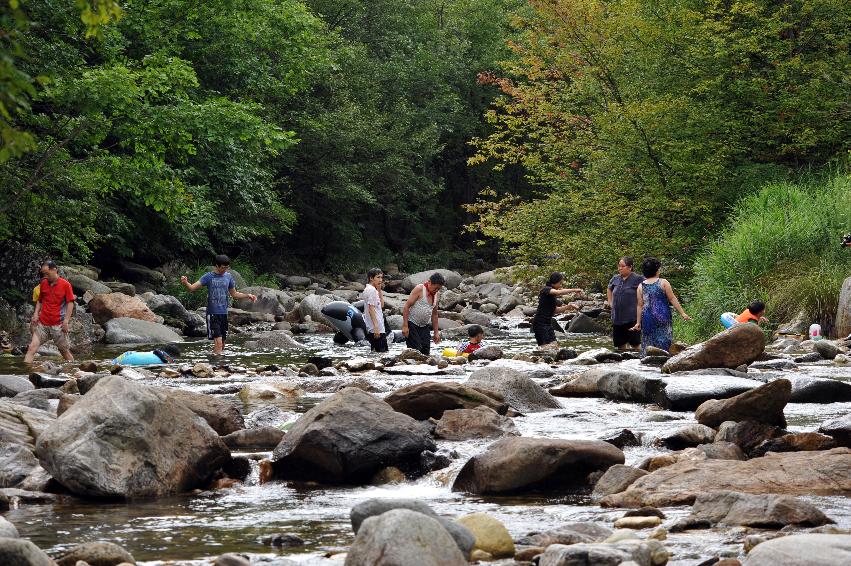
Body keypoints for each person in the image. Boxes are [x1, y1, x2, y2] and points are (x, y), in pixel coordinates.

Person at [181, 255, 257, 354]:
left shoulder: (228, 277)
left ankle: (216, 362)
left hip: (223, 313)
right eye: (223, 268)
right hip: (213, 314)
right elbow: (192, 288)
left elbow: (234, 294)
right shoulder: (208, 276)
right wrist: (186, 282)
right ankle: (217, 365)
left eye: (227, 267)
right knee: (218, 341)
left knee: (223, 343)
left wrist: (248, 295)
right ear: (216, 266)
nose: (225, 270)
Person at [630, 257, 691, 355]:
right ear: (657, 270)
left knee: (648, 339)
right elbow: (672, 298)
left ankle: (647, 360)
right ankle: (665, 358)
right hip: (663, 315)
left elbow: (640, 305)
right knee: (664, 338)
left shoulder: (641, 286)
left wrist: (638, 322)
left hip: (647, 317)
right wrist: (682, 313)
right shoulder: (663, 282)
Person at [24, 261, 76, 363]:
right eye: (44, 274)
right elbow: (40, 300)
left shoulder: (66, 285)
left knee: (64, 351)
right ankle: (26, 374)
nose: (45, 276)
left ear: (54, 270)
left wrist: (66, 321)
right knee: (31, 348)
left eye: (47, 273)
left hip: (58, 325)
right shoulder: (43, 283)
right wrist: (35, 314)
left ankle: (75, 372)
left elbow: (70, 303)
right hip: (43, 324)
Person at [531, 272, 583, 348]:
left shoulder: (552, 295)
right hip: (540, 324)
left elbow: (554, 310)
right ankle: (538, 359)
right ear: (555, 282)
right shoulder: (546, 290)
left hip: (548, 324)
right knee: (545, 348)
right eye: (560, 283)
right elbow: (558, 292)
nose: (560, 285)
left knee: (555, 346)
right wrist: (574, 290)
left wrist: (568, 307)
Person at [402, 272, 445, 355]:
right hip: (412, 324)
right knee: (415, 352)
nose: (436, 290)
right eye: (435, 288)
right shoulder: (420, 289)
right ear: (429, 282)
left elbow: (435, 314)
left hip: (425, 326)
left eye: (438, 289)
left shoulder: (436, 294)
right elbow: (406, 306)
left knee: (426, 352)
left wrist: (436, 333)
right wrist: (405, 325)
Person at [607, 256, 644, 350]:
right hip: (617, 317)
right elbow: (609, 288)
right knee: (620, 344)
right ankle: (623, 363)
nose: (620, 268)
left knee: (635, 344)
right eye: (619, 266)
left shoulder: (638, 279)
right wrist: (610, 302)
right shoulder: (615, 278)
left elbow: (647, 289)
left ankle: (641, 362)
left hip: (632, 317)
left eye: (622, 266)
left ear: (630, 267)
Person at [362, 268, 388, 352]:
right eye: (378, 277)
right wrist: (376, 327)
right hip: (376, 329)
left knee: (377, 354)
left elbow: (382, 305)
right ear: (371, 278)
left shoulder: (372, 290)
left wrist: (379, 290)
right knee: (382, 354)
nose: (381, 280)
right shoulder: (371, 290)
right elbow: (371, 309)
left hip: (377, 328)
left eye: (381, 277)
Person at [112, 344, 181, 366]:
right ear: (167, 356)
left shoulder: (153, 352)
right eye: (173, 360)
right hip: (126, 362)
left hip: (127, 354)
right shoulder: (161, 362)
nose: (173, 362)